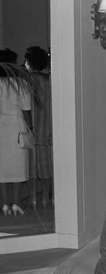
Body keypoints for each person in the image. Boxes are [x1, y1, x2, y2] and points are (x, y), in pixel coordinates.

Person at [0, 48, 32, 216]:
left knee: (2, 168)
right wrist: (31, 127)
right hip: (17, 127)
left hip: (1, 128)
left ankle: (5, 204)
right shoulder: (21, 83)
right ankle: (16, 203)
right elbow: (27, 109)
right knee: (19, 167)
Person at [24, 46, 53, 209]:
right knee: (46, 166)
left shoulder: (25, 81)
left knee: (31, 167)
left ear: (29, 62)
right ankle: (45, 199)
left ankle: (33, 198)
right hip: (47, 127)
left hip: (30, 128)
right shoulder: (49, 81)